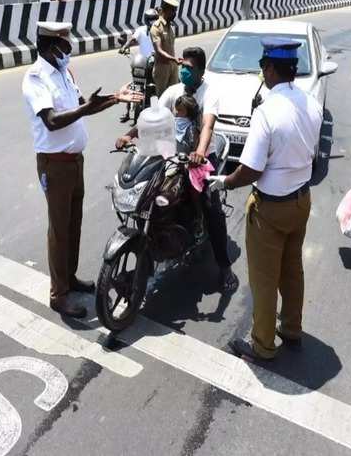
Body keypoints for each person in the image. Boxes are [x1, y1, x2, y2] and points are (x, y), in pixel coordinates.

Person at [208, 38, 323, 361]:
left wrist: (224, 183)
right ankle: (291, 329)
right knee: (291, 270)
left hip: (270, 208)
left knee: (263, 279)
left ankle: (262, 345)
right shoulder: (311, 103)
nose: (262, 73)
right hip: (301, 201)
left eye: (262, 68)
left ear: (270, 69)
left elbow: (250, 170)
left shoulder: (267, 111)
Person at [22, 21, 141, 319]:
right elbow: (51, 120)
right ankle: (58, 294)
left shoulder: (64, 73)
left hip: (75, 161)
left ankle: (70, 278)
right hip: (55, 164)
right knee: (59, 229)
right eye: (65, 45)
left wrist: (115, 98)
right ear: (51, 47)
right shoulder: (36, 78)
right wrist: (86, 108)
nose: (69, 50)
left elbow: (82, 105)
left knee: (74, 223)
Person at [116, 46, 239, 292]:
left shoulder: (209, 94)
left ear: (201, 71)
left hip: (200, 157)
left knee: (211, 206)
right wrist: (129, 135)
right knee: (149, 192)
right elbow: (154, 117)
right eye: (182, 66)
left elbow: (207, 127)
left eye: (189, 68)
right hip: (172, 153)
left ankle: (224, 268)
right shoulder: (173, 91)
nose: (183, 71)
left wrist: (201, 153)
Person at [118, 9, 159, 124]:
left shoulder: (160, 31)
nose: (153, 22)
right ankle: (126, 112)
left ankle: (158, 110)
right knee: (134, 85)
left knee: (156, 87)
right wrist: (124, 47)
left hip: (155, 63)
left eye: (154, 19)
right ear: (146, 20)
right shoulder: (141, 30)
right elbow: (132, 39)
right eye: (151, 19)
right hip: (141, 63)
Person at [151, 0, 181, 96]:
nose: (174, 14)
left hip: (173, 66)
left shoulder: (170, 26)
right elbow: (159, 50)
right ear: (166, 10)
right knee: (163, 98)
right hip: (162, 68)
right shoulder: (156, 27)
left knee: (174, 96)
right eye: (173, 11)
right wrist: (173, 59)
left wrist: (174, 60)